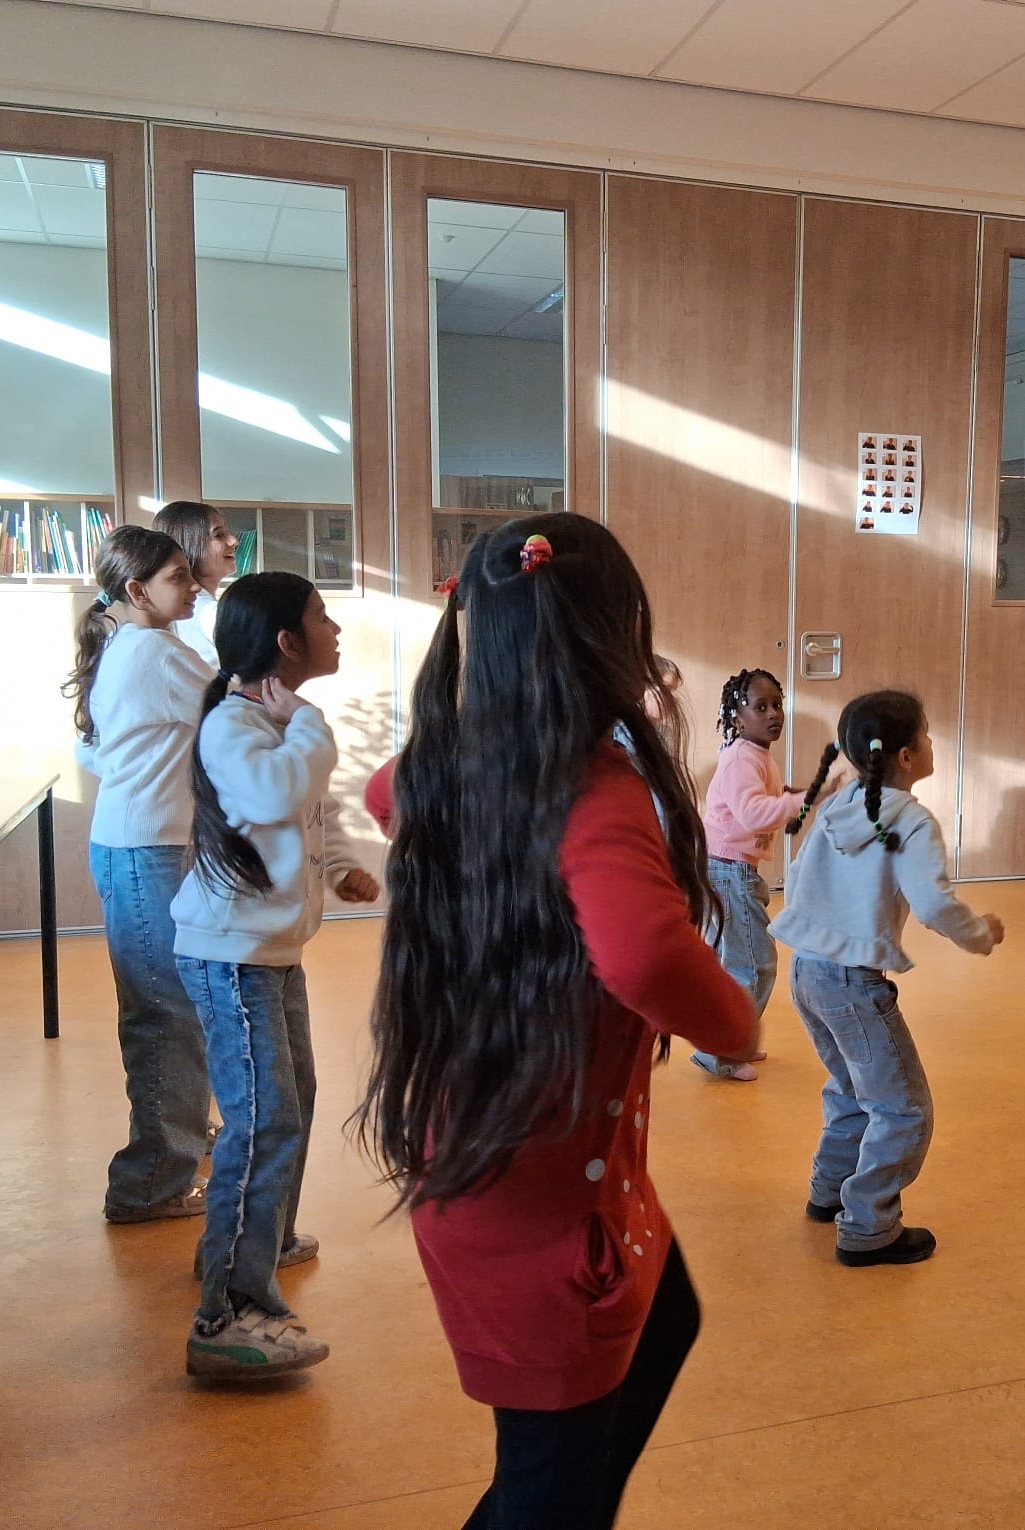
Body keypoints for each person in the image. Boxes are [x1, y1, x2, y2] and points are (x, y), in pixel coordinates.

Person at [358, 514, 755, 1528]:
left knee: (664, 1326)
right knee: (549, 1491)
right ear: (610, 638)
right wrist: (736, 1024)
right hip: (542, 1213)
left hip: (505, 1168)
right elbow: (648, 953)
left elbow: (383, 790)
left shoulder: (453, 766)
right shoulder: (593, 788)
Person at [174, 572, 379, 1379]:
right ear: (286, 644)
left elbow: (297, 815)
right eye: (322, 618)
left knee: (291, 1106)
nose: (336, 630)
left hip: (266, 951)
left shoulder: (274, 722)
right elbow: (271, 790)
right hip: (231, 955)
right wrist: (313, 723)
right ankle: (228, 1313)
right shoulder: (239, 725)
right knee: (264, 1121)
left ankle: (258, 1240)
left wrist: (336, 867)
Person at [769, 689, 1004, 1267]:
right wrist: (981, 934)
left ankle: (829, 1192)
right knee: (903, 1109)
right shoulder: (910, 820)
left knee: (851, 1087)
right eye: (924, 735)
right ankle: (869, 1226)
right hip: (852, 985)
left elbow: (797, 876)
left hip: (807, 971)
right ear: (905, 755)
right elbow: (933, 903)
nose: (930, 744)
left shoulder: (845, 802)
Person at [65, 525, 213, 1225]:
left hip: (135, 844)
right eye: (181, 576)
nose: (194, 585)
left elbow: (95, 754)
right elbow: (233, 715)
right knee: (166, 1017)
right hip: (146, 851)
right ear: (135, 590)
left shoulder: (126, 645)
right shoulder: (154, 650)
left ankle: (167, 1157)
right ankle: (151, 1183)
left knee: (166, 1010)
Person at [692, 668, 812, 1082]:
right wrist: (800, 802)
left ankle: (727, 1040)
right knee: (755, 965)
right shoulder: (743, 757)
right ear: (737, 715)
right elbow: (752, 813)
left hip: (731, 869)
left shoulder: (755, 753)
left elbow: (766, 798)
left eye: (777, 704)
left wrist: (798, 795)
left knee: (737, 963)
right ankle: (722, 1051)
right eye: (760, 707)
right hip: (729, 871)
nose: (773, 713)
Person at [153, 499, 240, 666]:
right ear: (189, 546)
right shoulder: (203, 611)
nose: (233, 541)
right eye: (218, 535)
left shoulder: (178, 607)